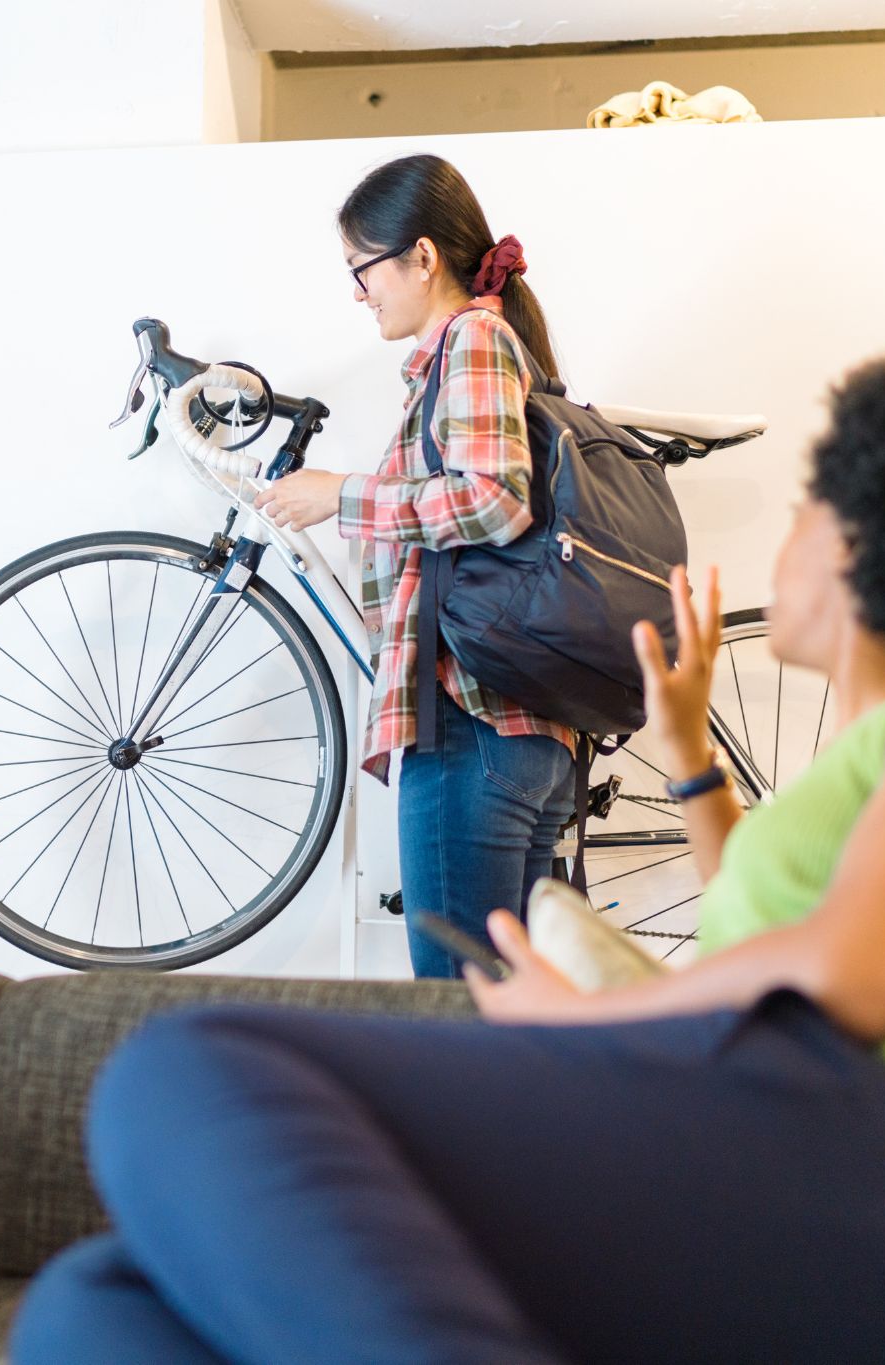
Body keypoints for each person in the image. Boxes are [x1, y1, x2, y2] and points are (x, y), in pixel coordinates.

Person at [11, 344, 885, 1364]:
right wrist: (687, 749)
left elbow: (857, 973)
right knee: (97, 1309)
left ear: (868, 533)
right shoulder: (884, 745)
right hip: (758, 1133)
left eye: (806, 507)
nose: (784, 532)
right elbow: (779, 923)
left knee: (186, 1068)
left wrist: (588, 1020)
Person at [251, 153, 577, 979]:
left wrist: (343, 495)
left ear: (422, 258)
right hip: (516, 730)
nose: (358, 292)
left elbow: (495, 499)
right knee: (507, 1017)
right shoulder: (481, 346)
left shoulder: (470, 339)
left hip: (468, 726)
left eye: (364, 269)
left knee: (455, 1012)